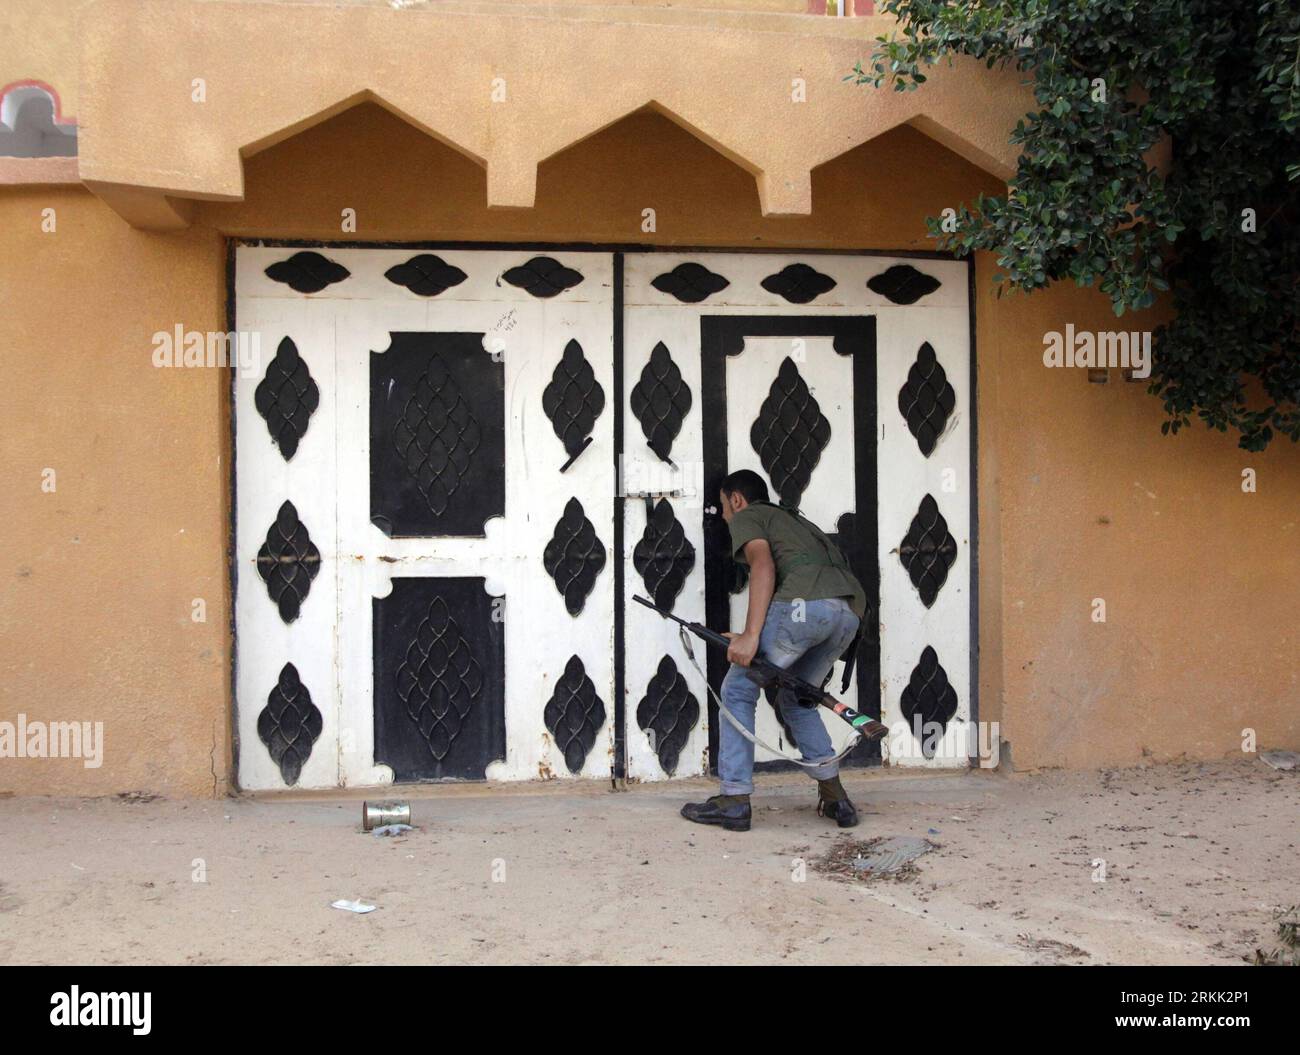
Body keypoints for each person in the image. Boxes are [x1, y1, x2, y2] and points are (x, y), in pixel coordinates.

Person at [681, 470, 867, 833]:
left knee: (737, 689)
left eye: (723, 506)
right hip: (846, 613)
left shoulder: (749, 516)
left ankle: (734, 801)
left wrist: (752, 636)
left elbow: (763, 566)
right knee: (799, 699)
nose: (723, 515)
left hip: (803, 606)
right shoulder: (794, 521)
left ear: (736, 500)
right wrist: (757, 632)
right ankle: (836, 799)